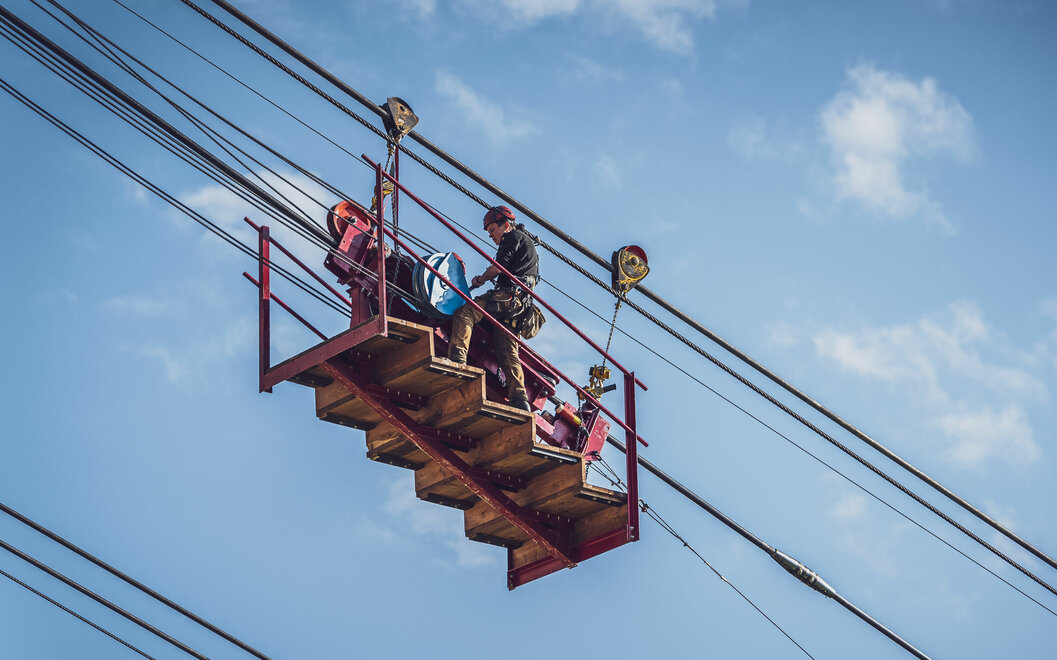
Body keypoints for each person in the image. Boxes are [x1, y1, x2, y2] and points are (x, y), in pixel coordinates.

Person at [447, 205, 538, 411]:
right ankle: (520, 398)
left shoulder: (512, 237)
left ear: (506, 225)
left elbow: (498, 267)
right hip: (519, 306)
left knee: (466, 312)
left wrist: (480, 279)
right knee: (507, 349)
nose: (491, 236)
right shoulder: (526, 243)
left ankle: (457, 359)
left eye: (492, 230)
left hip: (507, 296)